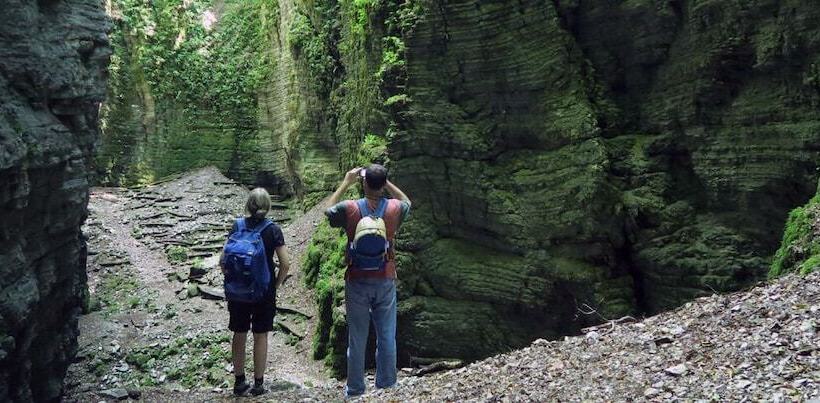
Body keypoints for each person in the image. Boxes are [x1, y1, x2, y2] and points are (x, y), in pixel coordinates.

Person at [325, 164, 411, 397]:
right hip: (385, 278)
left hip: (357, 279)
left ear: (363, 183)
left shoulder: (350, 209)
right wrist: (386, 183)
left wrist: (346, 182)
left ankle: (355, 390)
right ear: (383, 185)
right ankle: (387, 386)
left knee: (357, 338)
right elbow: (407, 202)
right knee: (386, 336)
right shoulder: (394, 209)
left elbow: (328, 211)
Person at [221, 188, 290, 396]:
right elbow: (285, 264)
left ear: (248, 205)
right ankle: (258, 384)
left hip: (238, 291)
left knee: (239, 333)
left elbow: (223, 262)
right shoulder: (273, 230)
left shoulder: (237, 225)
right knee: (260, 335)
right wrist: (276, 285)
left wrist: (234, 280)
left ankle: (239, 382)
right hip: (263, 291)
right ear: (267, 206)